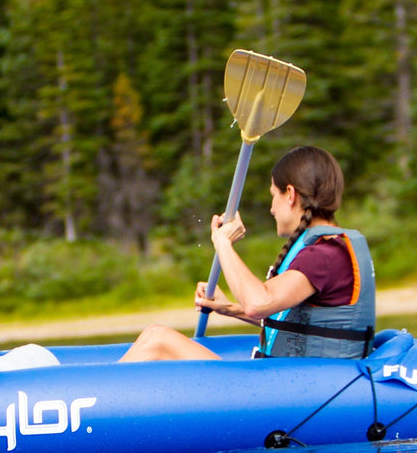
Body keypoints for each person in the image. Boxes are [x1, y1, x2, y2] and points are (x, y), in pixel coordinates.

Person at [121, 145, 375, 362]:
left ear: (290, 195)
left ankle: (95, 410)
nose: (271, 208)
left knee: (157, 339)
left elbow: (257, 304)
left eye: (273, 196)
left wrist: (223, 243)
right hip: (300, 385)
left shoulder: (323, 254)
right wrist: (229, 308)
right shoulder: (329, 248)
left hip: (298, 396)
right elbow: (298, 324)